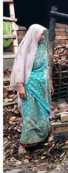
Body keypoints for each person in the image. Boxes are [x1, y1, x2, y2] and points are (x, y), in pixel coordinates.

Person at [10, 24, 53, 154]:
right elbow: (19, 67)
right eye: (41, 34)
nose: (42, 37)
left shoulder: (42, 47)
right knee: (31, 115)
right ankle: (26, 143)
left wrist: (49, 82)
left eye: (43, 34)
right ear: (34, 34)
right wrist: (20, 86)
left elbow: (46, 66)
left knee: (43, 113)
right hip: (29, 87)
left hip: (42, 88)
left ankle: (41, 140)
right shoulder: (26, 47)